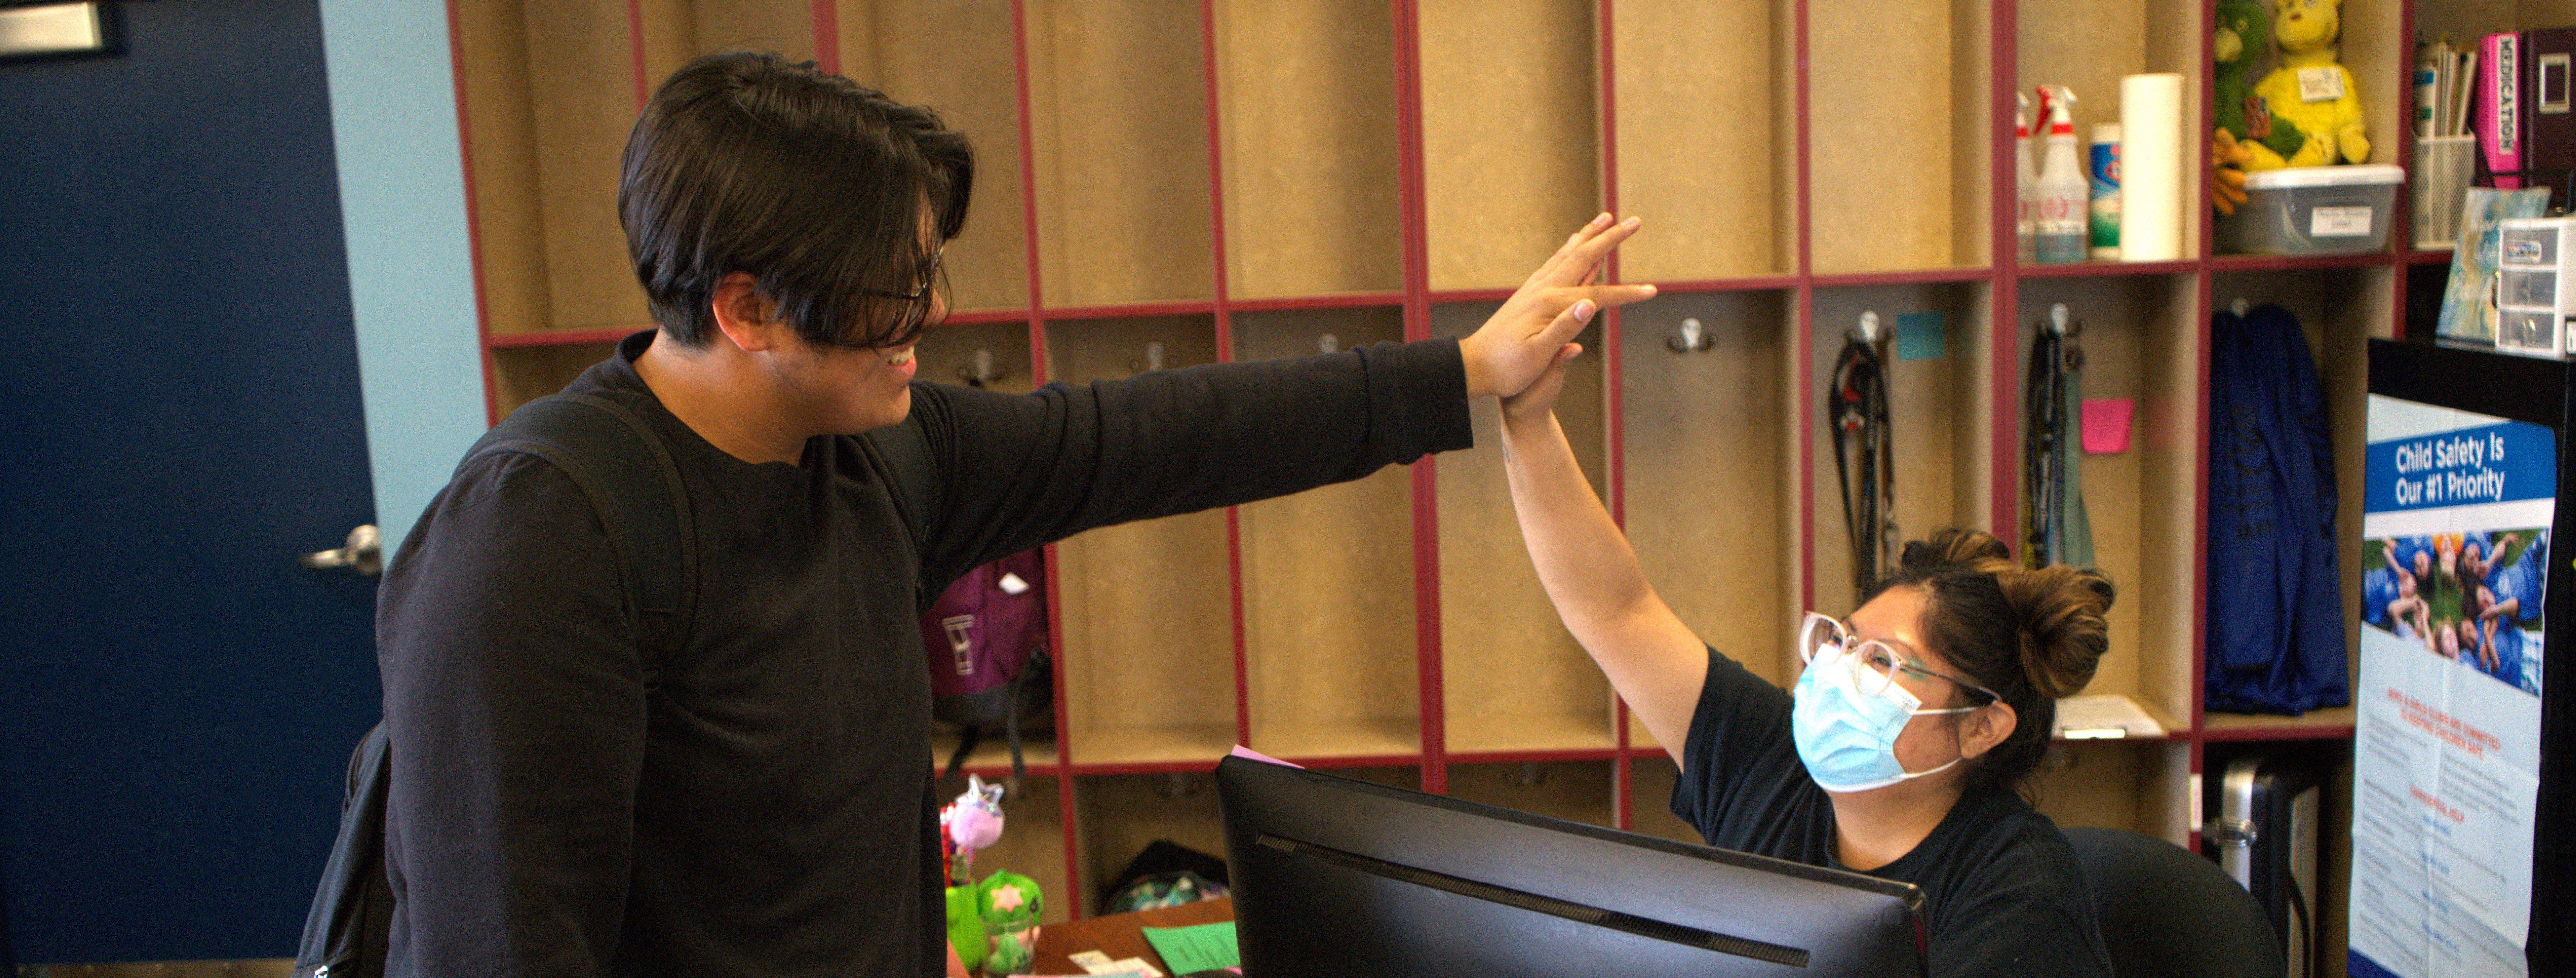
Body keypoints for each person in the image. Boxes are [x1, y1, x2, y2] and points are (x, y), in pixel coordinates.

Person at [375, 52, 1656, 977]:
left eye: (927, 271)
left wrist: (1466, 370)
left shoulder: (877, 455)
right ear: (747, 309)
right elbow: (501, 941)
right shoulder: (543, 538)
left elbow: (1151, 435)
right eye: (893, 289)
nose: (931, 316)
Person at [1494, 348, 2115, 976]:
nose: (1836, 671)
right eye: (1841, 640)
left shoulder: (2021, 896)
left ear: (1982, 726)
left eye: (1880, 662)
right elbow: (1615, 610)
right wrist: (1526, 416)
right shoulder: (1772, 767)